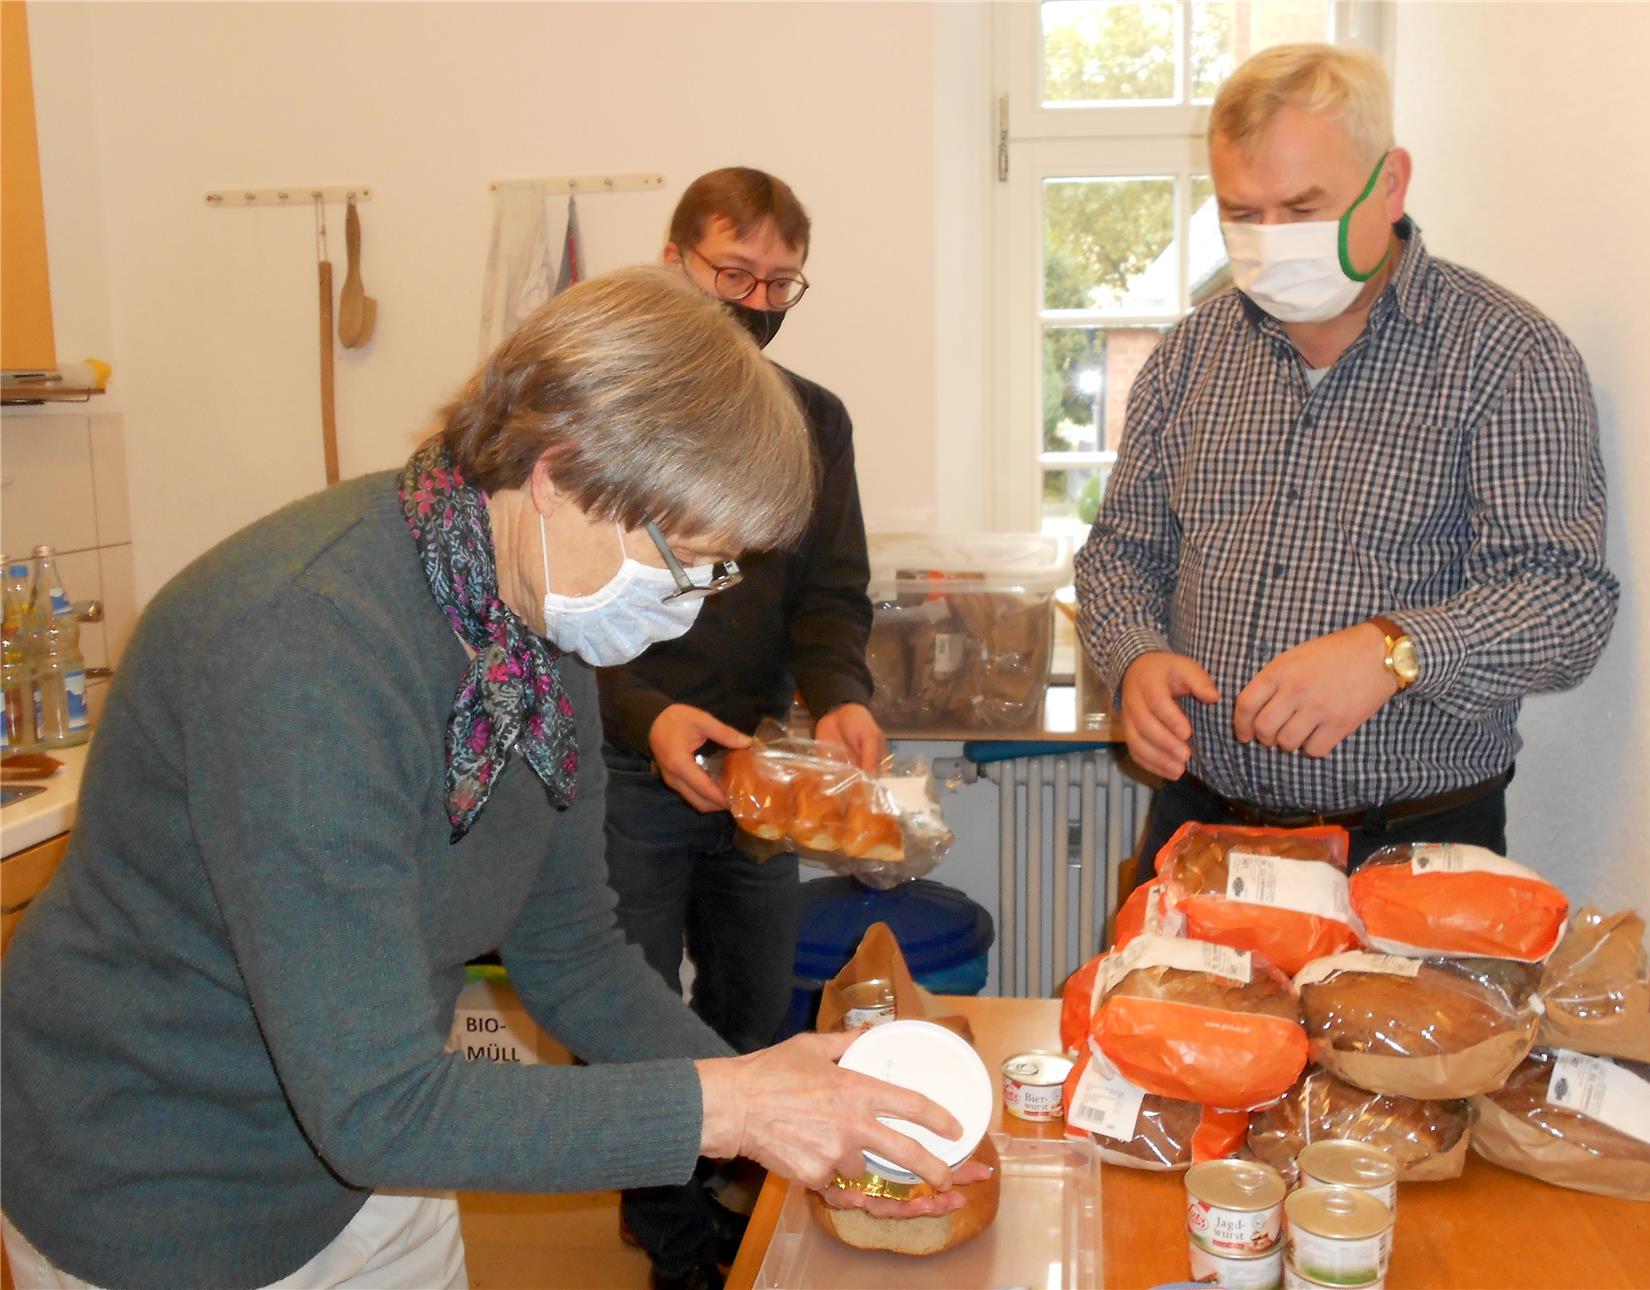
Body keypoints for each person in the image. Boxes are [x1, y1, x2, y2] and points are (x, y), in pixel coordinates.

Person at [0, 267, 982, 1290]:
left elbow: (571, 950)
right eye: (680, 558)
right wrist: (732, 1112)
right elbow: (378, 1107)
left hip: (369, 1151)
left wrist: (763, 1093)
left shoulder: (528, 620)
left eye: (716, 569)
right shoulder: (301, 652)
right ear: (557, 472)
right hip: (165, 1189)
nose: (689, 605)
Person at [1075, 44, 1619, 878]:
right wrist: (1135, 655)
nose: (1271, 242)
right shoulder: (1190, 355)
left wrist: (1392, 651)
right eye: (1242, 215)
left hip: (1411, 848)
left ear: (1392, 183)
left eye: (1302, 207)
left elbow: (1567, 604)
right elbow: (1120, 551)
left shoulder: (1506, 355)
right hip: (1204, 826)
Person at [596, 168, 883, 1290]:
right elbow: (552, 625)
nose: (755, 301)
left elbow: (830, 594)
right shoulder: (611, 412)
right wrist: (649, 715)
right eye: (733, 274)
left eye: (779, 282)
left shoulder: (811, 420)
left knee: (755, 1006)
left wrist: (843, 693)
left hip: (759, 768)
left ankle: (734, 1213)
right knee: (628, 1019)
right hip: (625, 765)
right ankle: (675, 1245)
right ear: (675, 263)